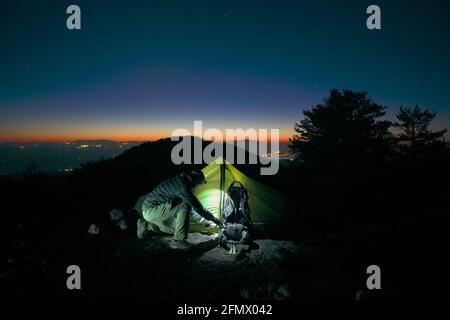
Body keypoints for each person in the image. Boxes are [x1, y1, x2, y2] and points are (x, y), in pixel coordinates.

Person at [137, 170, 221, 249]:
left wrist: (204, 222)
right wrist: (214, 219)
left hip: (156, 212)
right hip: (150, 210)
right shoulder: (182, 186)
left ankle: (146, 225)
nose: (198, 188)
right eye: (199, 185)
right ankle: (178, 241)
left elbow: (191, 206)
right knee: (184, 205)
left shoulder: (182, 181)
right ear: (195, 182)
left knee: (175, 230)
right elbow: (197, 207)